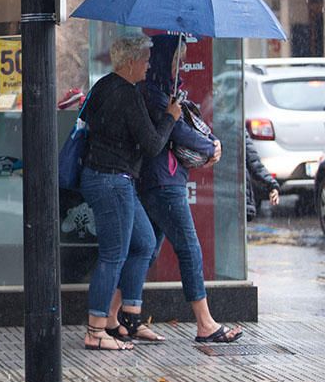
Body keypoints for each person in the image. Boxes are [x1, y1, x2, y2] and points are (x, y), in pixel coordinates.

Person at [135, 35, 242, 343]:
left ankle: (121, 315)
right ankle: (205, 323)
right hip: (163, 182)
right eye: (175, 58)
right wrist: (211, 146)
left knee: (145, 251)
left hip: (160, 181)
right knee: (189, 248)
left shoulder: (162, 90)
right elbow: (178, 132)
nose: (179, 64)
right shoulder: (154, 94)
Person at [79, 34, 181, 351]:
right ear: (131, 61)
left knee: (144, 242)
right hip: (113, 181)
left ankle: (124, 320)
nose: (148, 66)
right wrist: (171, 117)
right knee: (113, 255)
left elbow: (92, 123)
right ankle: (96, 331)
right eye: (145, 60)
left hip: (103, 178)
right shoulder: (127, 93)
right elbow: (151, 144)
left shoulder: (103, 87)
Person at [245, 135, 280, 220]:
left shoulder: (238, 129)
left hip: (236, 199)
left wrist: (272, 185)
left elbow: (254, 163)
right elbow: (254, 163)